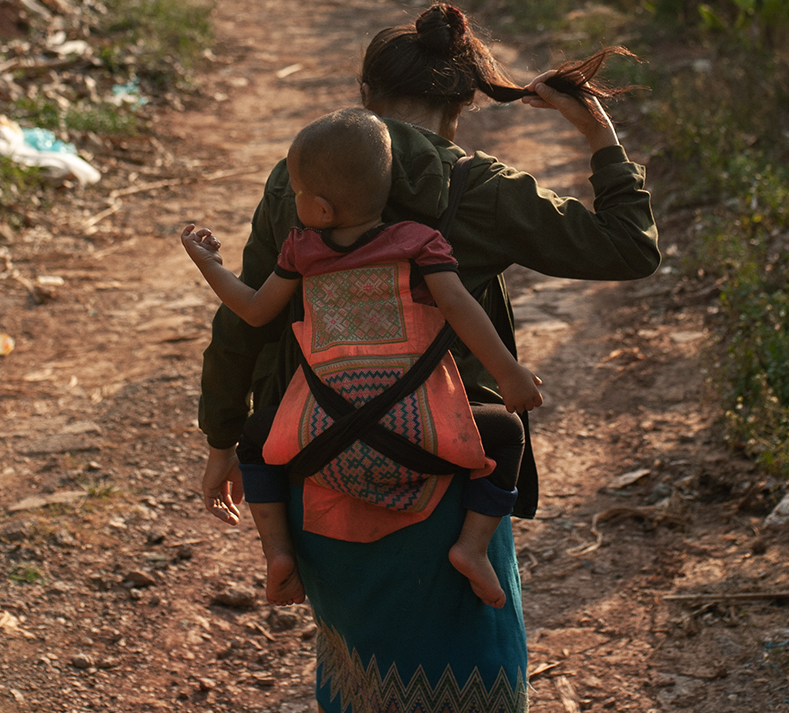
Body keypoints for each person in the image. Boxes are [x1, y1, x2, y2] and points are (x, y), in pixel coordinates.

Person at [195, 3, 659, 713]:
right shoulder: (482, 190)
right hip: (446, 461)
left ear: (366, 96)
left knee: (360, 664)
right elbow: (629, 246)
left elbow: (247, 318)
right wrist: (599, 136)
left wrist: (224, 437)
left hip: (317, 460)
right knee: (465, 667)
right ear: (462, 103)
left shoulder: (300, 179)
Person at [178, 107, 542, 608]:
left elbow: (254, 311)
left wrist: (209, 265)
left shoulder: (301, 252)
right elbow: (459, 307)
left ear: (321, 210)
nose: (294, 200)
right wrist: (510, 375)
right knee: (507, 434)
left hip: (318, 435)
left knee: (256, 436)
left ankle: (278, 551)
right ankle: (473, 548)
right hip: (422, 433)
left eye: (299, 192)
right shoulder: (420, 243)